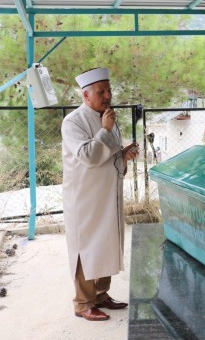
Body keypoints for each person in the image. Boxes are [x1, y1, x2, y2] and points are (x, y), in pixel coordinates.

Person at [61, 68, 138, 321]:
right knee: (86, 247)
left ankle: (101, 295)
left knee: (106, 243)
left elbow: (109, 155)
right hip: (85, 199)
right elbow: (88, 156)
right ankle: (83, 302)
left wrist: (123, 154)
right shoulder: (73, 121)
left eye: (109, 90)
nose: (108, 96)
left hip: (107, 195)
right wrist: (105, 130)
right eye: (101, 91)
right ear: (86, 95)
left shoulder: (108, 118)